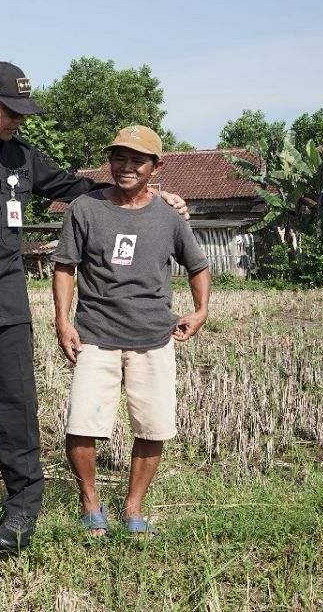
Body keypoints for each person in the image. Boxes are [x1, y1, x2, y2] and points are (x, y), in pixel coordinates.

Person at [0, 61, 188, 555]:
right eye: (10, 112)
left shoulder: (21, 156)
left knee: (19, 408)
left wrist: (148, 195)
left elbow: (77, 188)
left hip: (5, 305)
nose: (18, 121)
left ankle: (23, 507)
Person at [51, 125, 211, 538]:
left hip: (153, 338)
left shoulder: (168, 216)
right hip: (96, 335)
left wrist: (201, 310)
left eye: (136, 160)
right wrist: (62, 320)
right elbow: (65, 268)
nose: (125, 167)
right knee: (82, 425)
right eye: (118, 158)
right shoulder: (83, 209)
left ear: (156, 166)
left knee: (153, 426)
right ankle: (90, 503)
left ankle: (133, 508)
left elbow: (198, 265)